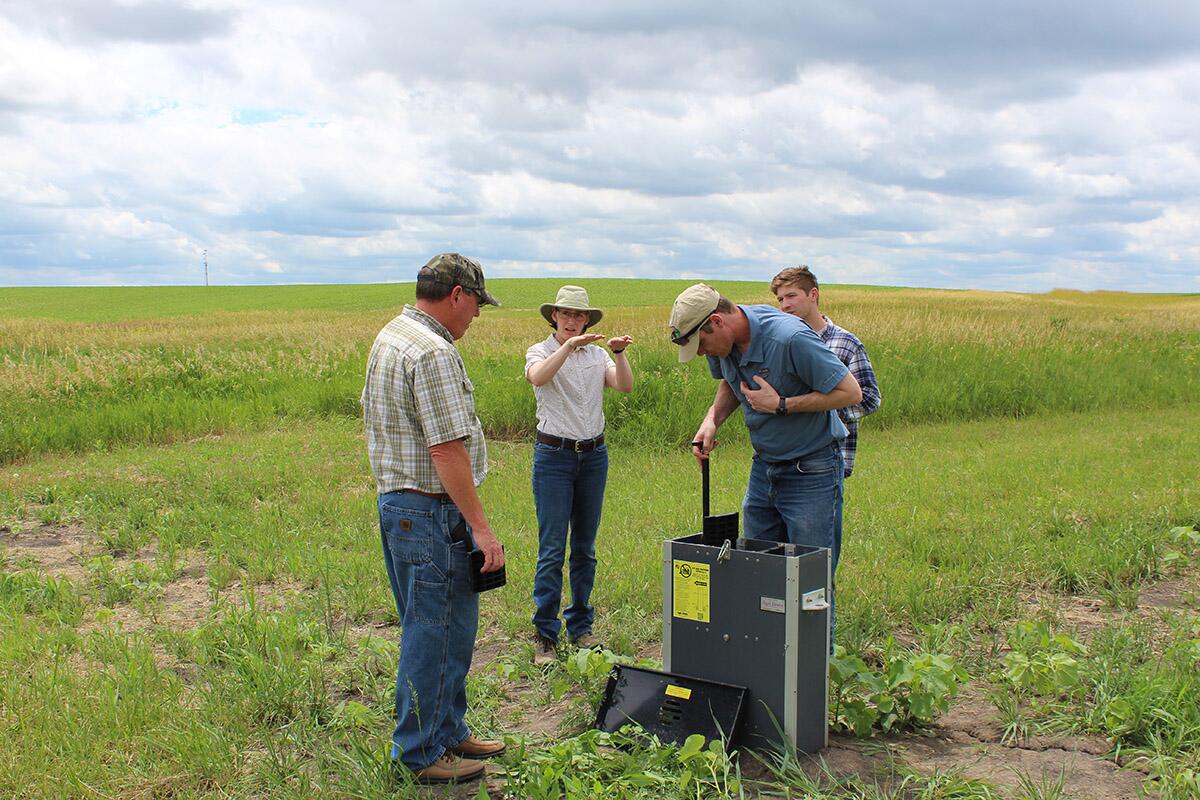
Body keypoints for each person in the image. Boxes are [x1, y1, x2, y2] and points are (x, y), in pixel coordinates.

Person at [361, 253, 506, 785]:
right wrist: (482, 528)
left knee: (441, 627)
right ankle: (421, 753)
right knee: (434, 631)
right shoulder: (433, 352)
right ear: (457, 296)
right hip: (431, 510)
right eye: (476, 307)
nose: (474, 318)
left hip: (400, 506)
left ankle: (448, 730)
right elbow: (447, 450)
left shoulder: (392, 335)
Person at [670, 283, 861, 644]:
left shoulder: (789, 339)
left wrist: (782, 404)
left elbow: (851, 392)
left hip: (812, 470)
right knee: (755, 571)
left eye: (702, 346)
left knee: (811, 581)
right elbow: (730, 382)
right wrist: (712, 420)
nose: (701, 355)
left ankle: (816, 676)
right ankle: (767, 665)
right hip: (765, 468)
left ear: (716, 321)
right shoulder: (722, 340)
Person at [525, 285, 634, 666]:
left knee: (585, 548)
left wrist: (618, 354)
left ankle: (581, 627)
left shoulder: (597, 354)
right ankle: (545, 635)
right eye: (565, 314)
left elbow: (624, 385)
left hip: (593, 456)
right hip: (554, 456)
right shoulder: (540, 351)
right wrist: (568, 347)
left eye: (578, 315)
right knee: (552, 548)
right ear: (553, 316)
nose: (572, 321)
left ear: (587, 320)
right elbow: (538, 378)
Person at [770, 266, 881, 480]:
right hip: (783, 456)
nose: (785, 305)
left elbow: (869, 399)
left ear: (813, 294)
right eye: (780, 299)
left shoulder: (845, 343)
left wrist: (819, 412)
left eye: (791, 296)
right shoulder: (780, 342)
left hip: (828, 459)